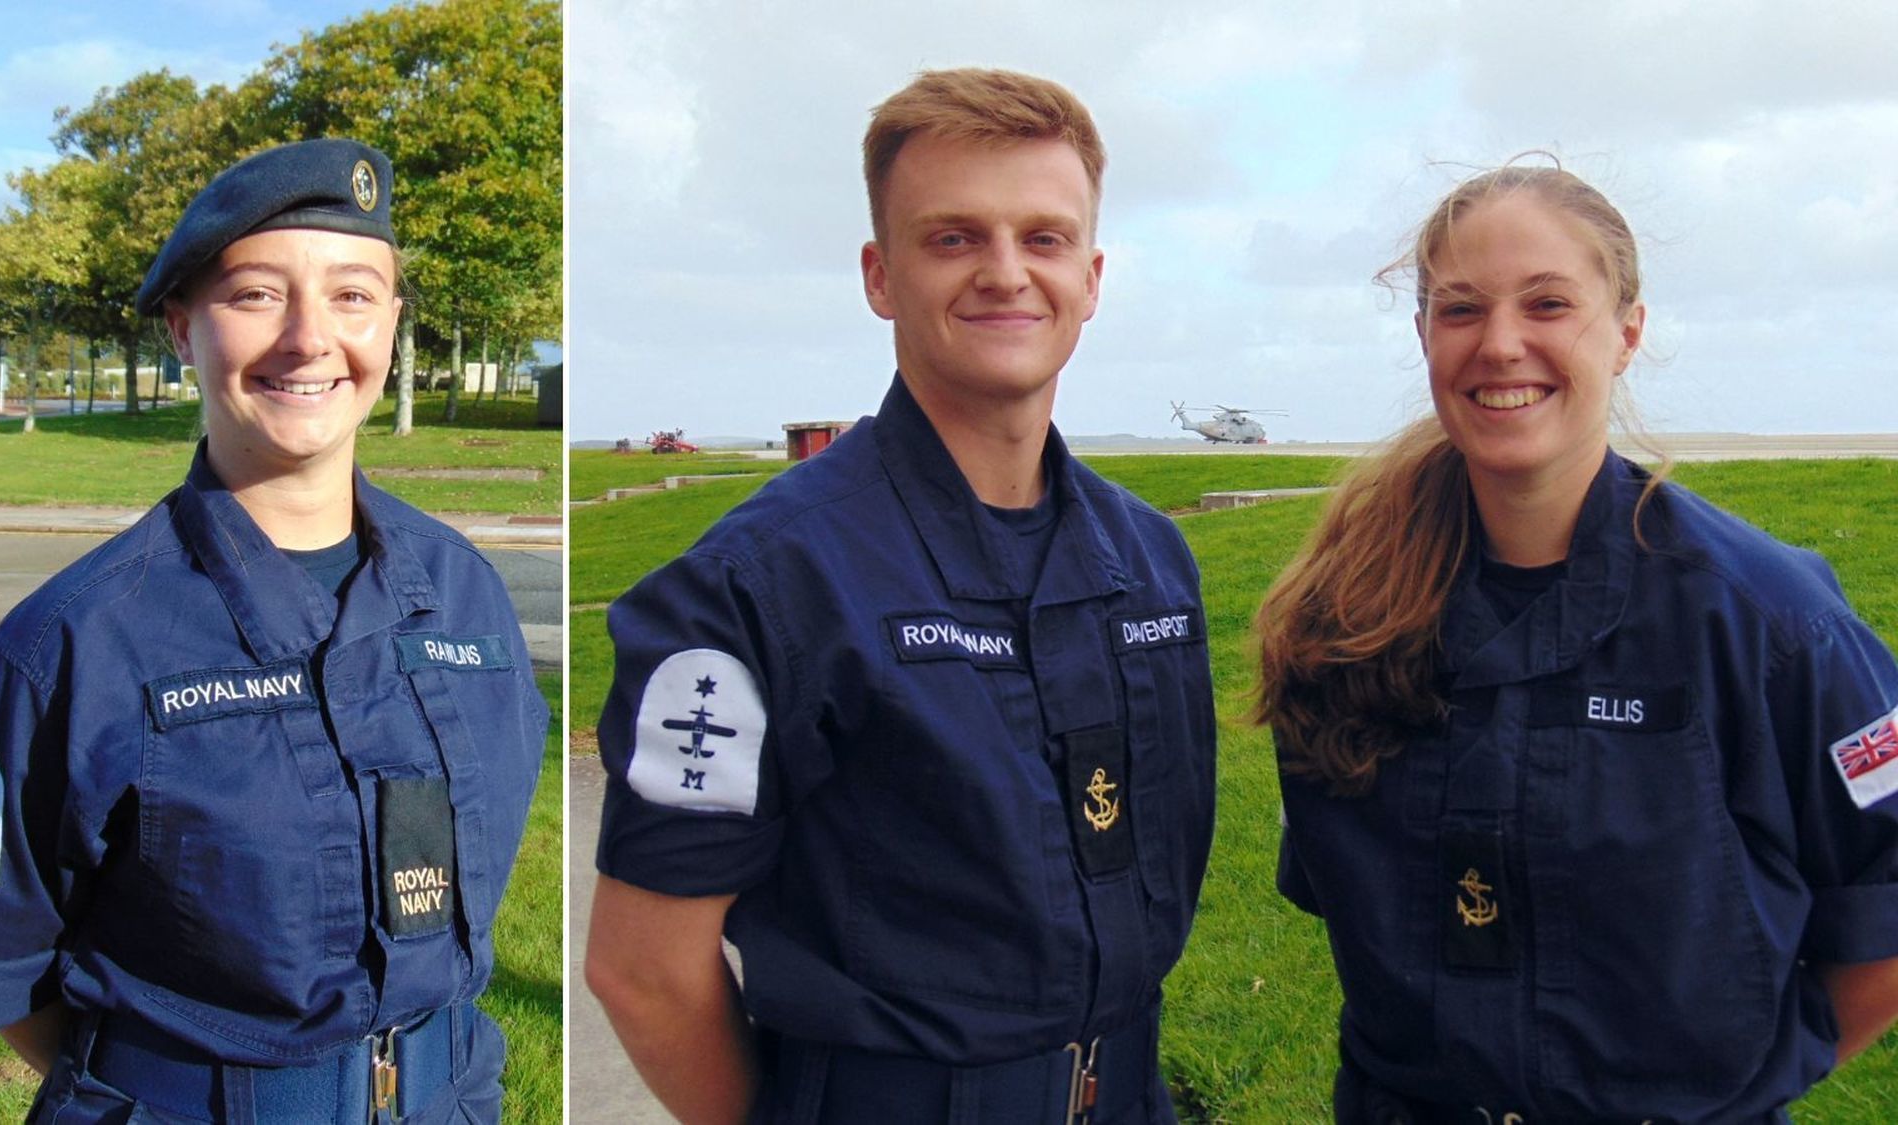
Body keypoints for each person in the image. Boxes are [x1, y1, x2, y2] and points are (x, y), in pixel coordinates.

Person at [584, 68, 1217, 1123]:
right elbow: (643, 970)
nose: (1006, 273)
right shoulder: (755, 589)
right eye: (953, 238)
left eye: (1044, 238)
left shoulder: (1148, 561)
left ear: (1092, 276)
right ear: (880, 275)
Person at [0, 138, 548, 1123]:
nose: (308, 339)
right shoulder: (68, 648)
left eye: (352, 295)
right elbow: (14, 977)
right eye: (255, 295)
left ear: (390, 323)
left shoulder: (466, 596)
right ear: (180, 327)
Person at [1254, 162, 1898, 1121]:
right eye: (1461, 309)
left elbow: (1883, 905)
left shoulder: (1770, 623)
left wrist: (1744, 1085)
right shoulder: (1340, 620)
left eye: (1548, 303)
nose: (1501, 345)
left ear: (1627, 330)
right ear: (1423, 333)